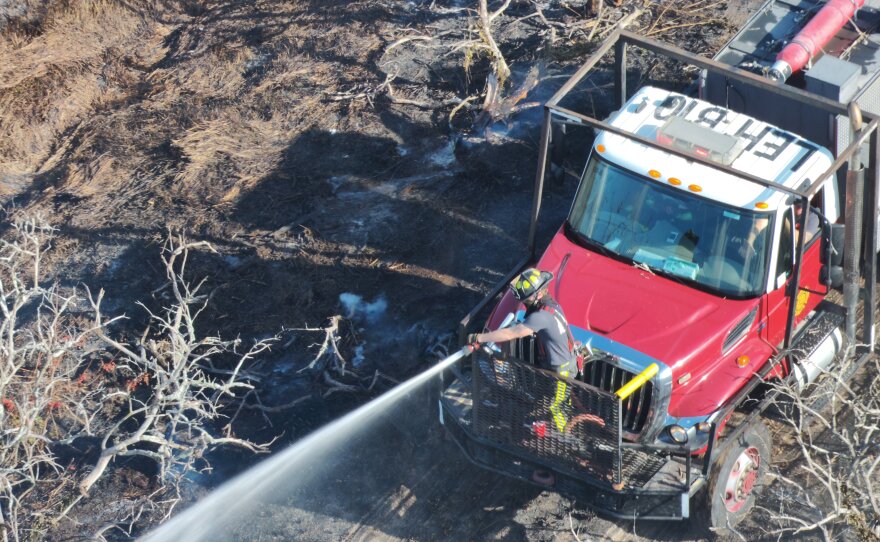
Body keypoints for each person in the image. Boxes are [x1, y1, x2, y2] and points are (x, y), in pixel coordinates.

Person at [468, 268, 577, 432]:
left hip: (562, 371)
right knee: (558, 400)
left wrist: (480, 338)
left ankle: (564, 438)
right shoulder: (550, 305)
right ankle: (561, 424)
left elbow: (512, 333)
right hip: (558, 366)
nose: (524, 303)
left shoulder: (541, 316)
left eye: (527, 299)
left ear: (538, 294)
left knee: (556, 407)